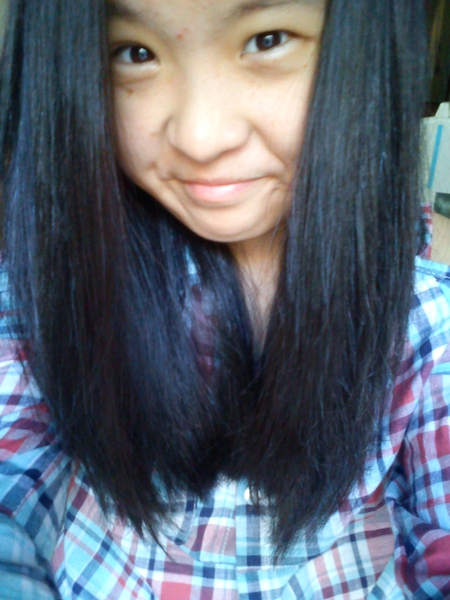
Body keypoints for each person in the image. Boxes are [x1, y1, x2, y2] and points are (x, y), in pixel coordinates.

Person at [0, 0, 449, 598]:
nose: (200, 138)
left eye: (268, 39)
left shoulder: (426, 312)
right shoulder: (60, 275)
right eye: (135, 52)